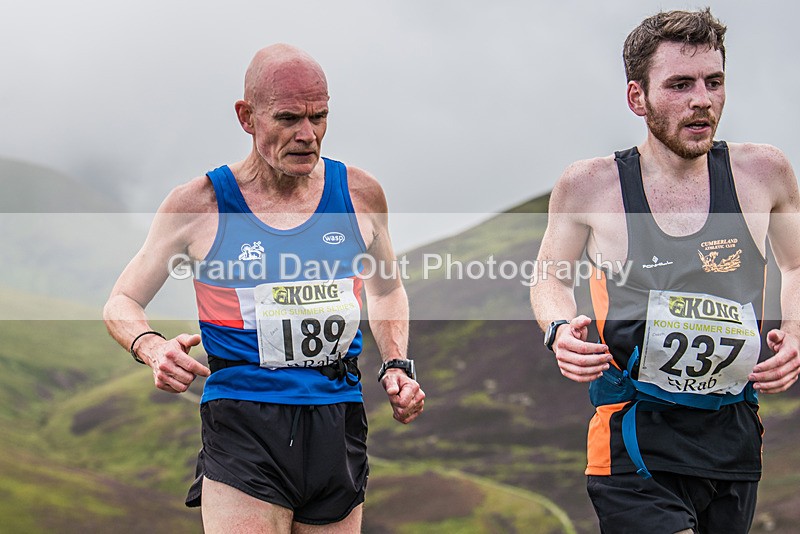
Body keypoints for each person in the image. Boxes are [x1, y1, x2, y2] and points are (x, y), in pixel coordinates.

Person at [103, 44, 425, 533]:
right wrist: (150, 347)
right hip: (244, 418)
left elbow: (386, 290)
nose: (307, 135)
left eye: (319, 117)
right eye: (289, 118)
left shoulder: (359, 194)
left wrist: (396, 363)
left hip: (337, 417)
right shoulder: (201, 204)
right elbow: (122, 301)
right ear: (246, 117)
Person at [530, 9, 800, 534]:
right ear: (638, 98)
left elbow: (796, 261)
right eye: (680, 84)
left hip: (733, 438)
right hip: (634, 438)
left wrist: (795, 332)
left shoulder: (765, 172)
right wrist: (558, 331)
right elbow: (549, 277)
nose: (702, 99)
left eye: (713, 82)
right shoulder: (589, 185)